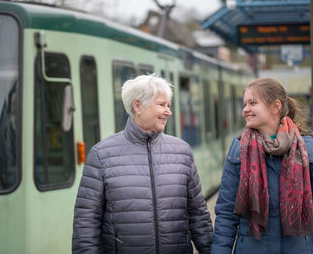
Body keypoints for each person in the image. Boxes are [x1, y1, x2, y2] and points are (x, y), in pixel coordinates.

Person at [211, 78, 313, 254]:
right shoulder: (238, 151)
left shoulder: (308, 150)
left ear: (275, 106)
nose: (245, 109)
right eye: (244, 104)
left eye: (253, 103)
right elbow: (226, 215)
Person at [72, 74, 212, 254]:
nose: (168, 112)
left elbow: (198, 214)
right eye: (162, 105)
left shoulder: (182, 151)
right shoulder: (101, 155)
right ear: (137, 106)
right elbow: (86, 221)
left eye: (169, 105)